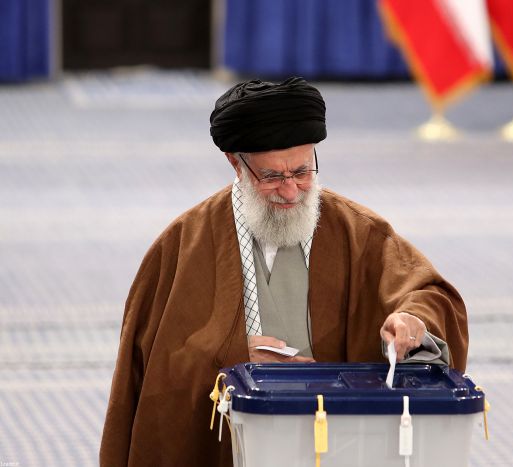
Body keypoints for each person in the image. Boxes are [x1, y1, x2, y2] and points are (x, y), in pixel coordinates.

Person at [100, 77, 468, 467]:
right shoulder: (180, 246)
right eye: (272, 177)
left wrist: (413, 321)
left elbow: (425, 292)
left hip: (339, 447)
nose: (291, 191)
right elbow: (157, 373)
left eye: (302, 171)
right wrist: (236, 357)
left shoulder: (359, 232)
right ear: (235, 164)